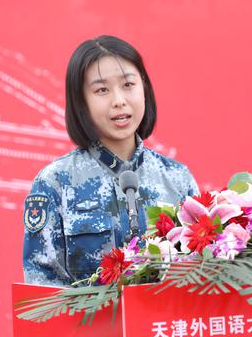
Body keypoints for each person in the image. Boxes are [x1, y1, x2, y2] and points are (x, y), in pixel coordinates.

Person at [22, 35, 199, 286]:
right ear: (81, 102)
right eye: (102, 90)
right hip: (88, 313)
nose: (119, 100)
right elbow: (41, 285)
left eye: (128, 85)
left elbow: (199, 273)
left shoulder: (177, 179)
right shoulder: (55, 182)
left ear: (144, 89)